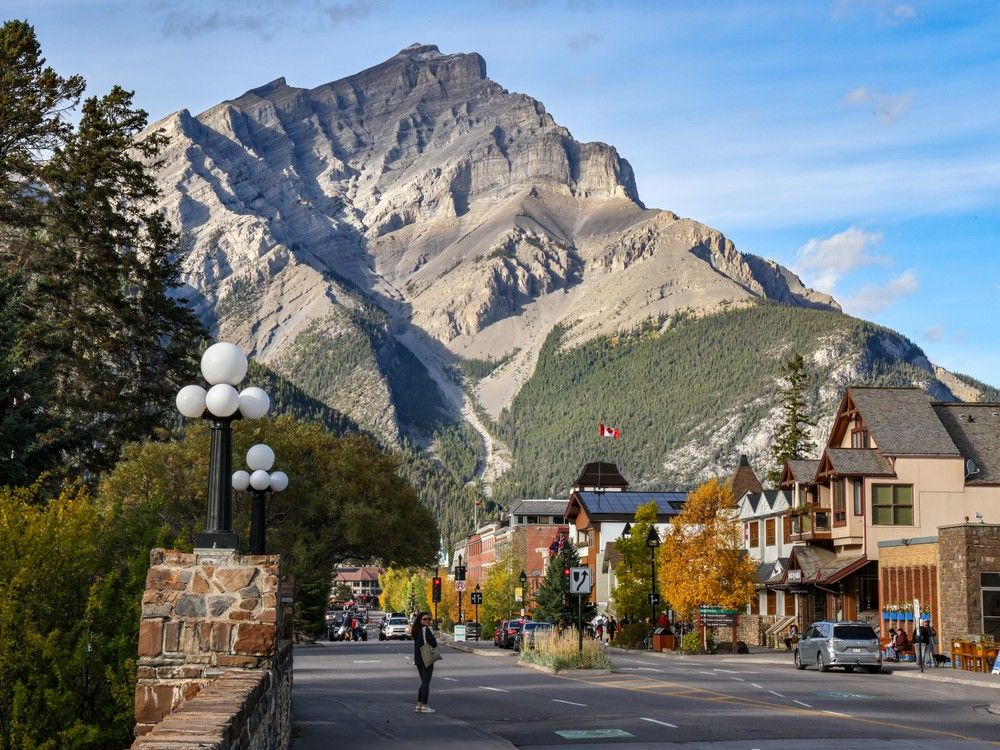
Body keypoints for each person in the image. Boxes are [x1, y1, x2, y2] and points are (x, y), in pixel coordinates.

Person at [413, 612, 437, 713]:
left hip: (418, 659)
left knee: (423, 682)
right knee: (426, 683)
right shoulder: (425, 629)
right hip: (426, 658)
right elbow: (434, 644)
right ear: (420, 620)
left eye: (429, 619)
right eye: (425, 619)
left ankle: (418, 705)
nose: (427, 621)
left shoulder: (416, 630)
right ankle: (425, 706)